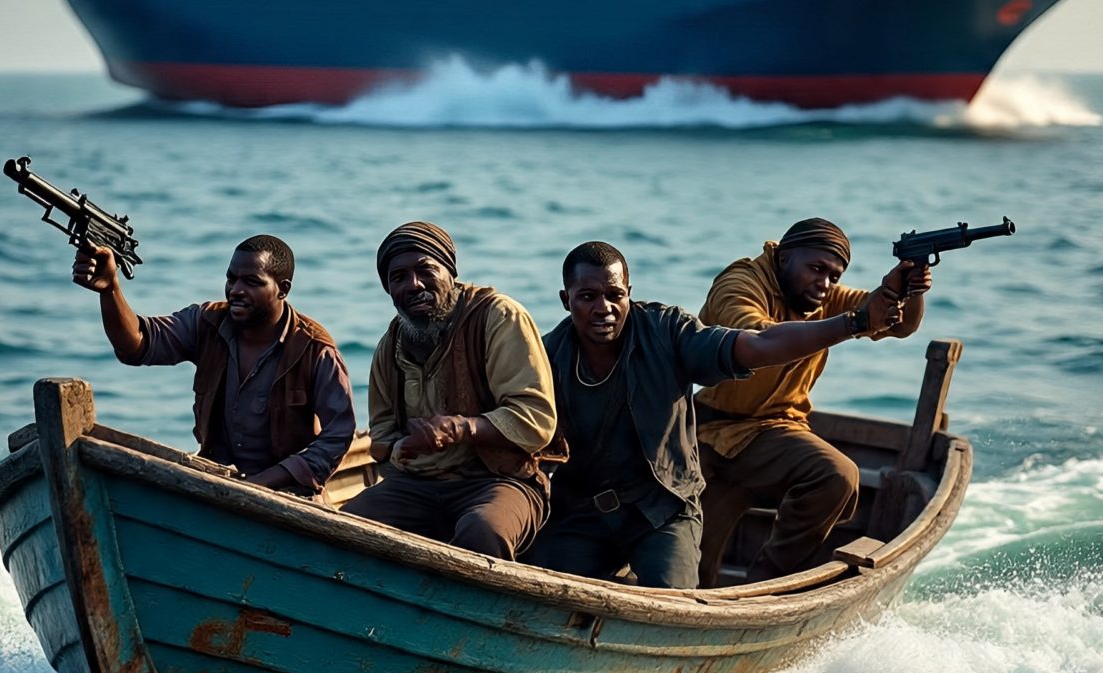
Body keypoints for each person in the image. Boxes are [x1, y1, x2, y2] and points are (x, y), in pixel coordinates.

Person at [525, 241, 902, 588]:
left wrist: (854, 323)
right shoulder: (547, 358)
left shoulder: (666, 331)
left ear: (629, 295)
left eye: (614, 295)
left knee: (670, 607)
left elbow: (760, 344)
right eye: (587, 297)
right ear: (565, 299)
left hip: (664, 509)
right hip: (582, 516)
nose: (603, 308)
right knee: (541, 594)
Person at [695, 217, 933, 585]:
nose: (825, 283)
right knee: (690, 574)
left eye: (834, 276)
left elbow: (898, 324)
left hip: (774, 433)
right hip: (708, 432)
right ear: (785, 257)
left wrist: (906, 288)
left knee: (837, 476)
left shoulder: (822, 297)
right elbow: (757, 340)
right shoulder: (741, 282)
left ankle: (768, 583)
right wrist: (854, 322)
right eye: (817, 269)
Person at [339, 222, 560, 560]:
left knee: (482, 531)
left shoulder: (499, 317)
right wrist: (402, 446)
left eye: (425, 271)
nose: (414, 285)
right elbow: (381, 435)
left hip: (499, 481)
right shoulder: (391, 345)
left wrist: (460, 429)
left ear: (449, 271)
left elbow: (536, 420)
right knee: (344, 529)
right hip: (416, 486)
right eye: (398, 278)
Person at [71, 234, 356, 495]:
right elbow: (137, 344)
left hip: (290, 494)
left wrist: (261, 484)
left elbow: (339, 434)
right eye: (231, 279)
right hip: (216, 484)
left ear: (283, 289)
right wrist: (109, 290)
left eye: (252, 282)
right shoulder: (207, 322)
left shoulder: (314, 348)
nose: (236, 290)